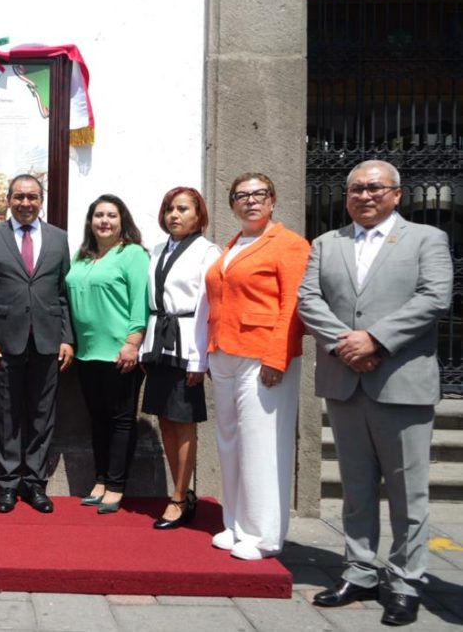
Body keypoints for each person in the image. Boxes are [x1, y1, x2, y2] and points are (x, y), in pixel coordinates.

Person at [299, 160, 450, 626]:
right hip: (346, 381)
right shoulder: (327, 243)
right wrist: (347, 344)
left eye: (374, 188)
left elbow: (435, 297)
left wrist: (376, 339)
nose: (364, 196)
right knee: (356, 487)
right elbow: (309, 299)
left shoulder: (427, 239)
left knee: (408, 492)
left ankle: (406, 582)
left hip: (400, 381)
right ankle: (360, 570)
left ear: (397, 194)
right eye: (356, 189)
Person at [205, 172, 309, 560]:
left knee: (261, 443)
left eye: (259, 194)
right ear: (232, 203)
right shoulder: (233, 244)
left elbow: (293, 305)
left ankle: (264, 535)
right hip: (225, 351)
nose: (250, 201)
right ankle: (235, 524)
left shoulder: (288, 244)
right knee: (230, 440)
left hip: (262, 354)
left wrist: (278, 355)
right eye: (241, 195)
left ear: (272, 199)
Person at [0, 174, 74, 514]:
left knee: (43, 417)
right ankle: (7, 485)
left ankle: (36, 485)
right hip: (3, 343)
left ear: (41, 200)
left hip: (47, 342)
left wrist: (67, 338)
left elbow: (63, 295)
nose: (25, 203)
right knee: (5, 416)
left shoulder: (59, 239)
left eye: (32, 197)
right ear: (9, 200)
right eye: (19, 197)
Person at [138, 187, 220, 529]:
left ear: (198, 215)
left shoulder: (207, 252)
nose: (175, 215)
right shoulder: (157, 250)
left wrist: (199, 358)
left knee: (183, 421)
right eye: (170, 208)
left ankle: (180, 496)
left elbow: (207, 305)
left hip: (187, 343)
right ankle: (180, 491)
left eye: (183, 209)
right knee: (166, 420)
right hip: (160, 343)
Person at [66, 194, 149, 515]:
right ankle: (100, 479)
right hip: (86, 353)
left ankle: (116, 485)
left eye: (111, 215)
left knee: (120, 421)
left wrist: (133, 342)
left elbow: (140, 301)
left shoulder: (132, 255)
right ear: (90, 221)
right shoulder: (82, 256)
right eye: (98, 215)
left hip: (120, 352)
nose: (104, 221)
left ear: (122, 220)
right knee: (97, 420)